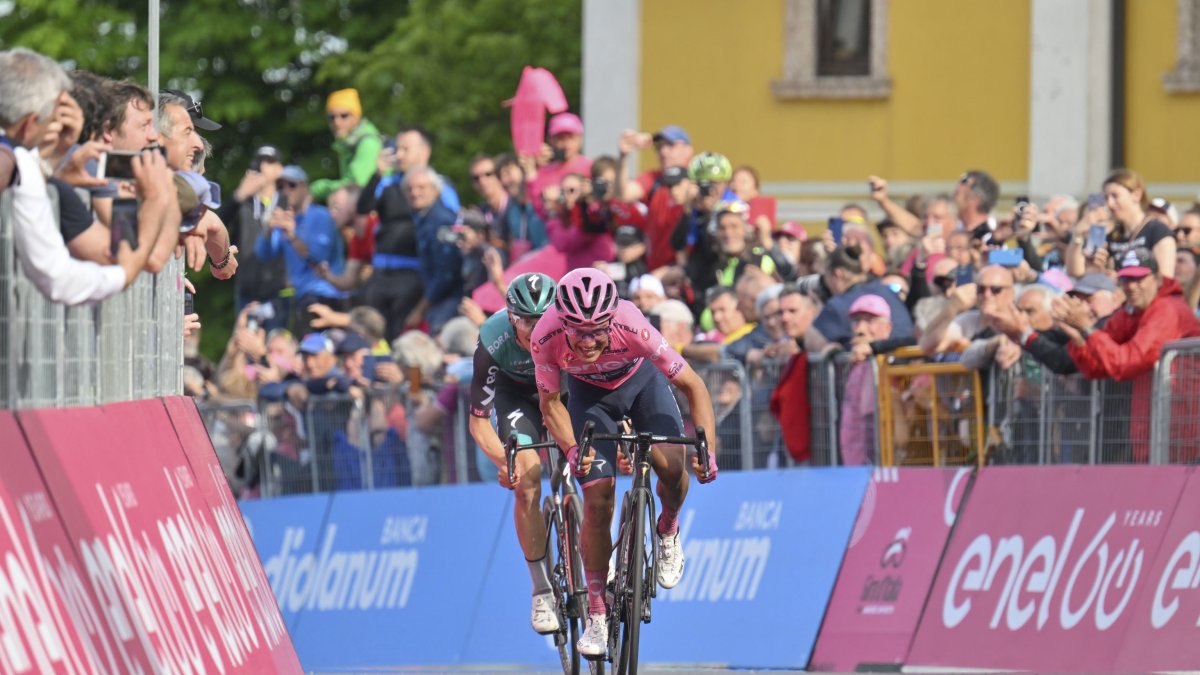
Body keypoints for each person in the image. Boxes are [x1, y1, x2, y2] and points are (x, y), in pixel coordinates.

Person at [531, 268, 719, 657]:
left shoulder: (632, 324)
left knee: (672, 467)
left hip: (642, 385)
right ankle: (597, 615)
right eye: (577, 331)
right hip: (589, 398)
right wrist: (571, 450)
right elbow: (550, 405)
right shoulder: (545, 336)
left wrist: (707, 451)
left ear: (612, 319)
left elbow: (693, 385)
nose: (587, 341)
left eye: (598, 330)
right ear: (561, 322)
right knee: (598, 498)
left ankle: (667, 528)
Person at [465, 273, 560, 633]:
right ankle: (540, 589)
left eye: (545, 320)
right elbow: (478, 423)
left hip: (564, 393)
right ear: (511, 317)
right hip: (518, 396)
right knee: (528, 479)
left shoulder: (570, 330)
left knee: (592, 468)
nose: (537, 331)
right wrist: (502, 464)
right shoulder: (494, 339)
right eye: (527, 323)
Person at [255, 165, 348, 330]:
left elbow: (319, 257)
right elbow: (264, 254)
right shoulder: (287, 220)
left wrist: (292, 236)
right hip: (302, 297)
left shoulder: (323, 216)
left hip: (327, 295)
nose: (286, 190)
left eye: (291, 185)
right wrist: (268, 229)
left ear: (304, 187)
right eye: (281, 186)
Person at [310, 88, 382, 202]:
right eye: (331, 117)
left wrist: (318, 188)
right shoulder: (346, 144)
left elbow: (356, 185)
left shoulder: (368, 143)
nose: (337, 122)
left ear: (356, 117)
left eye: (344, 115)